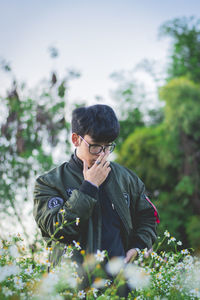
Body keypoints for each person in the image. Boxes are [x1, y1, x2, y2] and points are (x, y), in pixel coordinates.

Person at [33, 104, 159, 267]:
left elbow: (148, 217)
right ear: (76, 139)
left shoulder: (127, 179)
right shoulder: (49, 183)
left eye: (108, 147)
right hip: (72, 287)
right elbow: (57, 230)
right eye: (95, 146)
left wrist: (139, 246)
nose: (102, 153)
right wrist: (89, 187)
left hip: (121, 285)